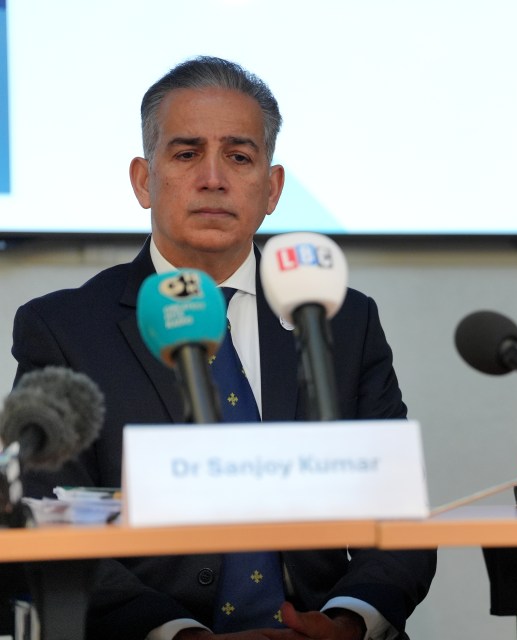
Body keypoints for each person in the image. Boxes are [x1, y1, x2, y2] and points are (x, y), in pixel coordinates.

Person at [11, 56, 435, 640]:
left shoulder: (340, 317)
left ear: (273, 187)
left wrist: (349, 621)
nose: (213, 178)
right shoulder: (64, 328)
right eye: (186, 154)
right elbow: (45, 521)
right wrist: (177, 633)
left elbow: (398, 515)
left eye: (239, 156)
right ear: (143, 179)